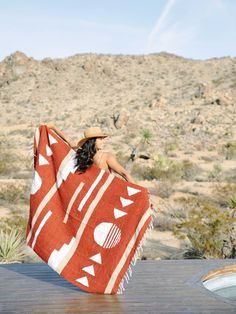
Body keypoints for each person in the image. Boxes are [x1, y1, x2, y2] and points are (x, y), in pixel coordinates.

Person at [44, 123, 136, 184]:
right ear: (92, 141)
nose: (103, 141)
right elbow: (124, 173)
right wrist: (140, 190)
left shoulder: (83, 155)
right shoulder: (106, 156)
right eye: (100, 139)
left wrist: (53, 127)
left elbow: (69, 141)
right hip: (106, 194)